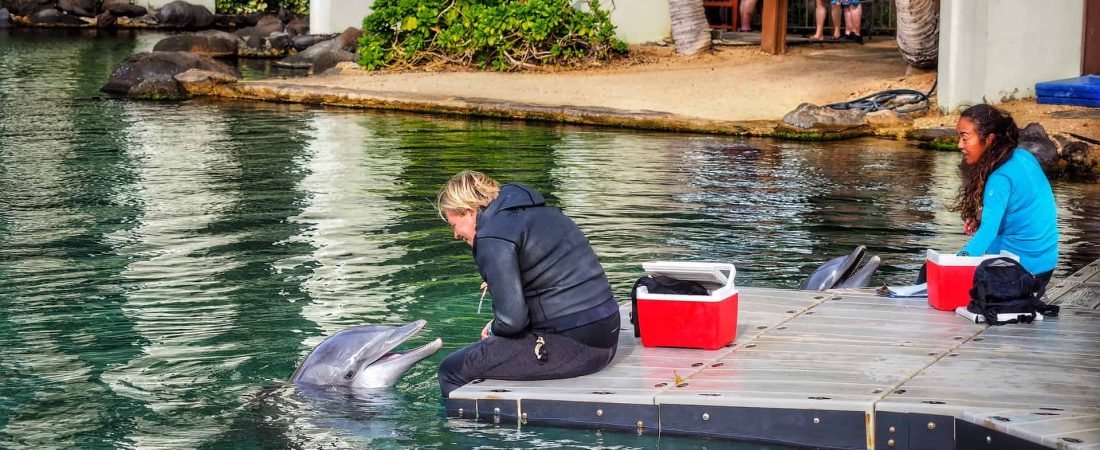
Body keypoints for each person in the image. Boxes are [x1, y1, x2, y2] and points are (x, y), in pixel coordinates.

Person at [436, 170, 620, 398]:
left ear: (469, 211)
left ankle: (473, 432)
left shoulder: (492, 237)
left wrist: (495, 328)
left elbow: (512, 322)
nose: (455, 234)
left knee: (451, 370)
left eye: (454, 224)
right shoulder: (545, 213)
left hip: (579, 347)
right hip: (607, 333)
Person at [951, 104, 1059, 290]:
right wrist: (981, 218)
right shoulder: (1024, 156)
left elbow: (987, 233)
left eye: (965, 138)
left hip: (1020, 274)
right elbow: (1022, 210)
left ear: (989, 140)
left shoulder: (999, 178)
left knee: (928, 272)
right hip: (1044, 268)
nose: (959, 145)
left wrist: (955, 263)